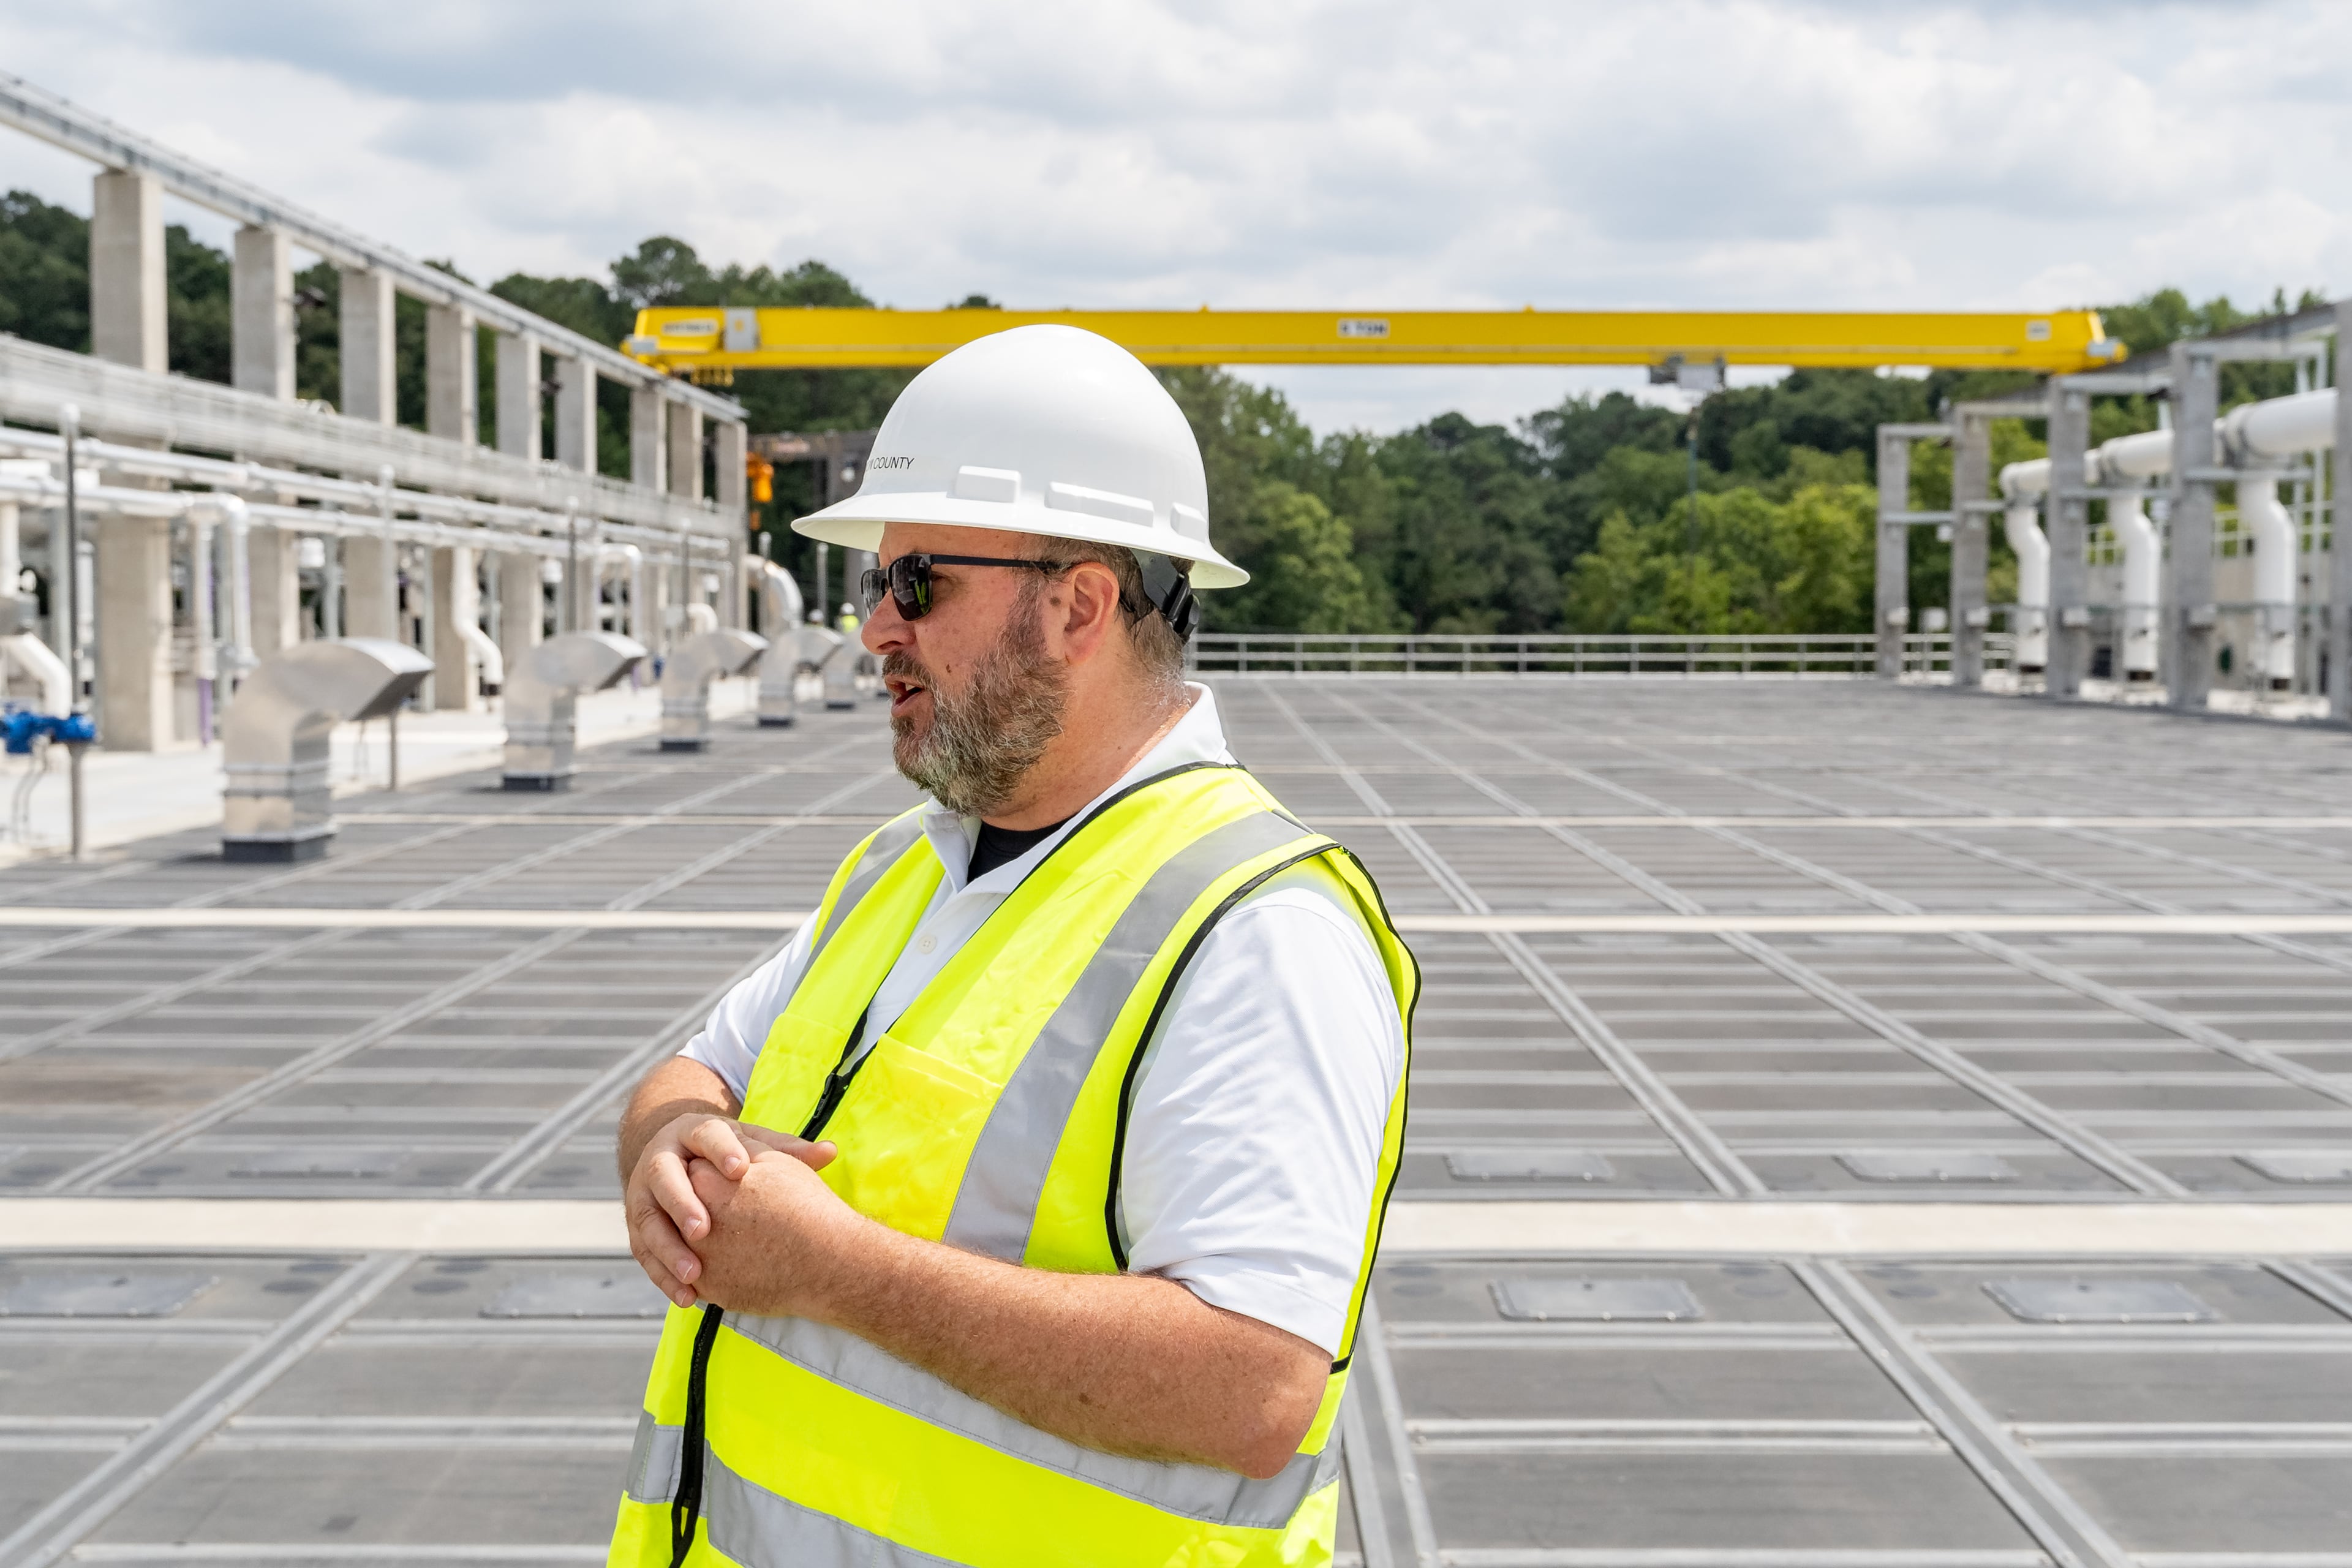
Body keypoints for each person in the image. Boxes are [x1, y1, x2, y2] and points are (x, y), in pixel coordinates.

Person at [609, 324, 1416, 1568]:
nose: (874, 631)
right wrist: (669, 1142)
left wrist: (837, 1269)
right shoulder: (908, 865)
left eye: (916, 583)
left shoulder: (1259, 930)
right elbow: (693, 1073)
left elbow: (1253, 1383)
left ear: (1078, 604)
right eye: (870, 587)